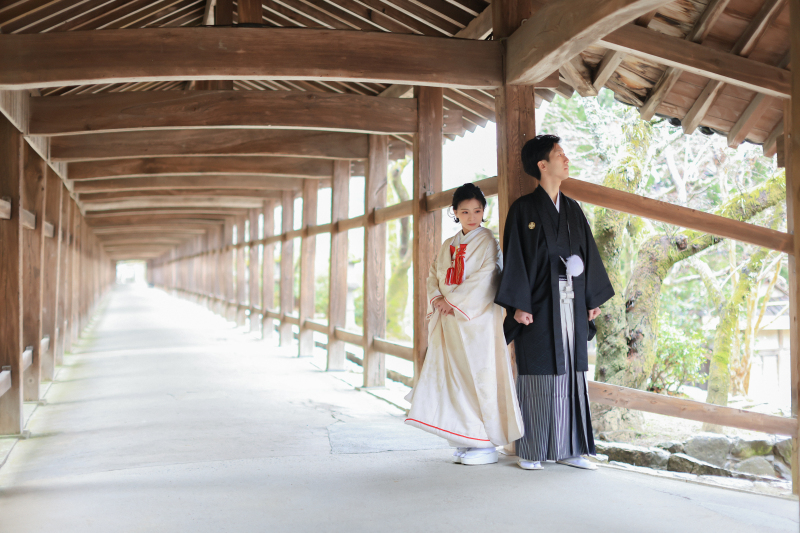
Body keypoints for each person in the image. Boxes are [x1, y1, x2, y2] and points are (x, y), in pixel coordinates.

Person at [495, 134, 614, 471]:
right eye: (559, 154)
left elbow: (587, 254)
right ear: (542, 165)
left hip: (572, 302)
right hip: (538, 304)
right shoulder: (523, 209)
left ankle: (571, 448)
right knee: (537, 373)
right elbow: (515, 258)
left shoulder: (573, 210)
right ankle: (532, 449)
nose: (566, 159)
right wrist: (517, 305)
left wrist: (591, 298)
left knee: (573, 373)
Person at [405, 183, 524, 466]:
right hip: (449, 321)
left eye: (477, 211)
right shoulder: (449, 245)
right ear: (455, 213)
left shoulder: (488, 242)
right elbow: (433, 275)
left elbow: (488, 277)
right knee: (453, 378)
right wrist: (437, 299)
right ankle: (464, 436)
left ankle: (484, 440)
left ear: (484, 212)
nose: (472, 217)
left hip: (477, 322)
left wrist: (453, 302)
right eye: (465, 211)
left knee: (477, 379)